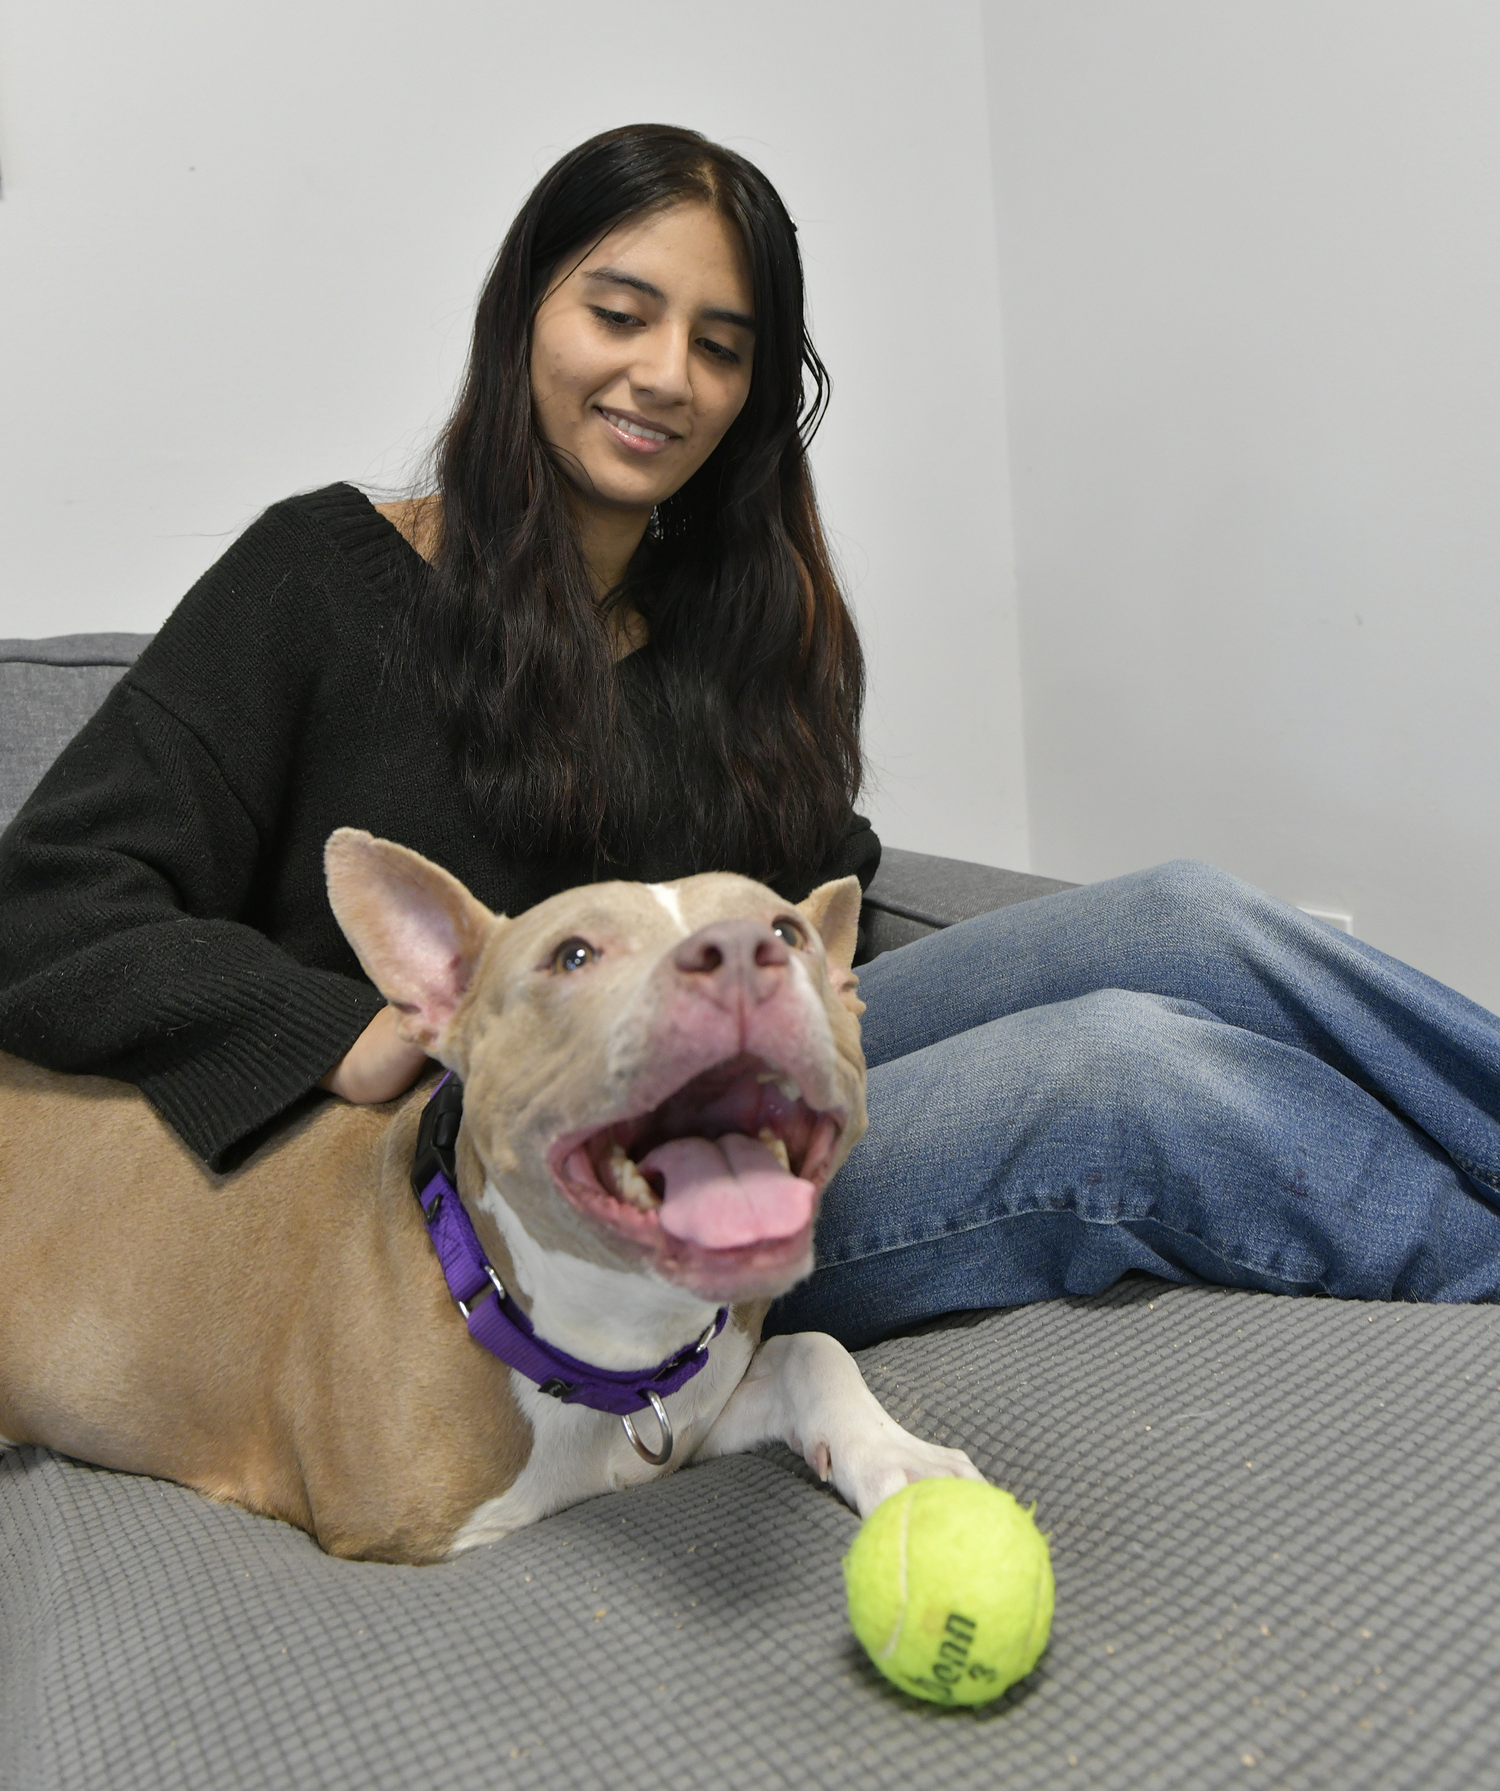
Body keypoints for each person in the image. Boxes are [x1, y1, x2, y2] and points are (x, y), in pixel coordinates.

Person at [3, 122, 1500, 1353]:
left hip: (743, 1109)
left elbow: (831, 905)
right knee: (1116, 1071)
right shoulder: (319, 578)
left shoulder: (739, 625)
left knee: (1184, 923)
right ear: (523, 308)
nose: (666, 375)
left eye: (721, 346)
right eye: (618, 310)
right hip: (505, 1204)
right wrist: (350, 1036)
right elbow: (48, 904)